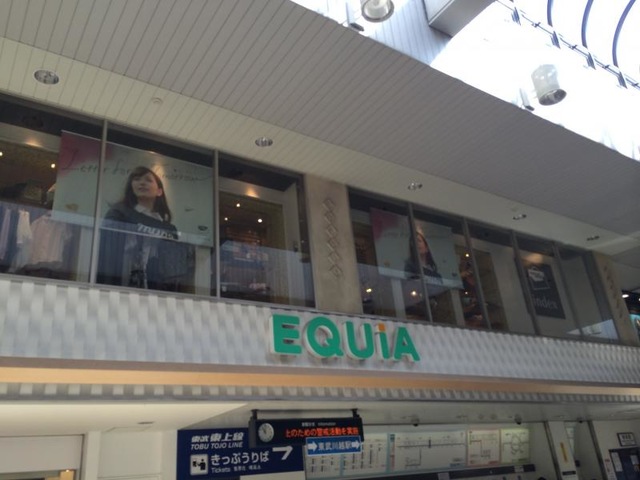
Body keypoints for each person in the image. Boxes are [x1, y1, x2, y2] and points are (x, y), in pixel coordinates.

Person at [97, 166, 187, 290]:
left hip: (157, 287)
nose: (142, 183)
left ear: (159, 191)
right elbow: (107, 253)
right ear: (131, 187)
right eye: (137, 179)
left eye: (148, 180)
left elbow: (173, 268)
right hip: (121, 283)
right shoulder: (119, 213)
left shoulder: (168, 228)